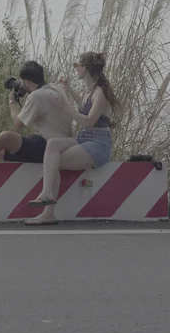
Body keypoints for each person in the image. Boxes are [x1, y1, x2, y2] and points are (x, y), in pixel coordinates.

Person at [24, 51, 117, 226]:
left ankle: (48, 212)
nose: (75, 69)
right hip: (84, 138)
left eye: (76, 66)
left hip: (98, 144)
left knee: (55, 161)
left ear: (84, 68)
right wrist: (68, 90)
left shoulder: (100, 93)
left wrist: (65, 108)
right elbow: (84, 104)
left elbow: (89, 121)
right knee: (52, 145)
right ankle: (47, 193)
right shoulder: (91, 90)